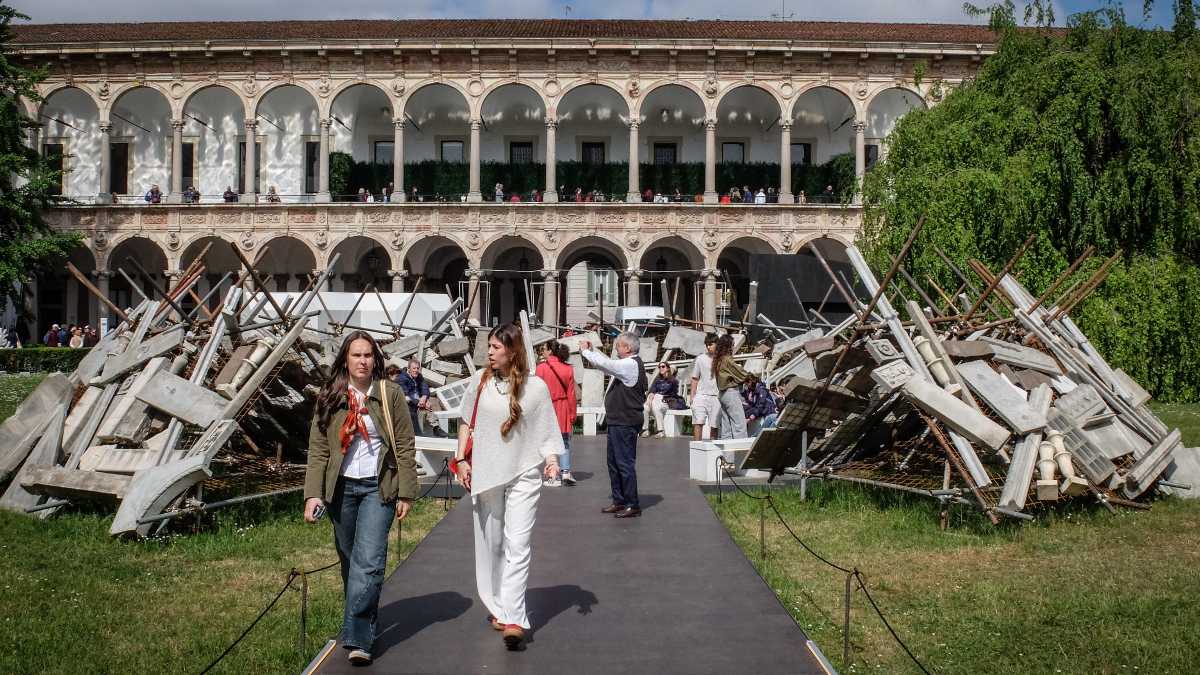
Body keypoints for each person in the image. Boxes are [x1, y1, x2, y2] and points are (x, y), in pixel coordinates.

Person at [303, 331, 419, 666]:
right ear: (345, 359)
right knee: (351, 562)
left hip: (377, 487)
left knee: (367, 563)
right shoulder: (331, 395)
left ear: (375, 359)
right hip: (340, 489)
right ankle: (362, 619)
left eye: (368, 355)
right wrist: (313, 494)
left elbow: (406, 445)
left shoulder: (390, 393)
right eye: (356, 355)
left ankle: (358, 639)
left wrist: (407, 491)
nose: (363, 361)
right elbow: (319, 449)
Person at [453, 323, 562, 650]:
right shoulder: (480, 382)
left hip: (525, 472)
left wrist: (552, 458)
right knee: (494, 543)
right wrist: (461, 459)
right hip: (487, 473)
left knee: (519, 544)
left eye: (496, 347)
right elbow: (465, 422)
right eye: (489, 346)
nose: (489, 351)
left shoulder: (537, 388)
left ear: (513, 351)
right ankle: (498, 605)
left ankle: (515, 617)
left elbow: (546, 428)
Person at [580, 332, 647, 518]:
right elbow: (608, 367)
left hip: (625, 421)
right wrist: (593, 352)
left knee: (624, 463)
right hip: (619, 420)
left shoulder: (630, 364)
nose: (616, 348)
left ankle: (632, 504)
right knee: (614, 462)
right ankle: (620, 500)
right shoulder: (628, 364)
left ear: (628, 348)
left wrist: (586, 352)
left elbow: (608, 365)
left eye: (619, 345)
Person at [535, 341, 577, 486]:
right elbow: (571, 394)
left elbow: (536, 392)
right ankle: (566, 472)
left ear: (550, 351)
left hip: (547, 407)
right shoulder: (568, 369)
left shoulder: (541, 369)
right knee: (564, 441)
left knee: (548, 442)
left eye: (544, 349)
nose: (543, 352)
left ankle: (553, 475)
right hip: (563, 406)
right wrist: (572, 413)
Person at [713, 334, 751, 439]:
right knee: (739, 424)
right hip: (730, 393)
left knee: (726, 427)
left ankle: (727, 454)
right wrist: (752, 378)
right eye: (732, 345)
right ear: (728, 346)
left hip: (722, 394)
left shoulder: (718, 360)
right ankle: (740, 453)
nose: (733, 347)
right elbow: (741, 373)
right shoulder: (727, 360)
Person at [689, 333, 720, 440]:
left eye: (711, 344)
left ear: (717, 344)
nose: (708, 346)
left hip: (716, 396)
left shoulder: (722, 359)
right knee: (698, 422)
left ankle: (713, 451)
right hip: (701, 395)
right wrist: (692, 397)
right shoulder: (700, 358)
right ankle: (697, 448)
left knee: (714, 425)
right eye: (707, 344)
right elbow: (695, 378)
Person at [643, 362, 685, 438]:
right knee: (645, 407)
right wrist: (650, 398)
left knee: (656, 404)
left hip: (666, 402)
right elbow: (652, 390)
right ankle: (645, 430)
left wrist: (669, 375)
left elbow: (671, 393)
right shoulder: (657, 380)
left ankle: (661, 431)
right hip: (655, 402)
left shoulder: (673, 381)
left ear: (668, 369)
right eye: (659, 367)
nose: (661, 368)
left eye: (663, 366)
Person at [397, 358, 430, 436]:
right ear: (408, 369)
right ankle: (419, 434)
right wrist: (419, 402)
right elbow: (405, 396)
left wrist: (424, 397)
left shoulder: (419, 376)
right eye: (414, 368)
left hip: (419, 400)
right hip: (409, 403)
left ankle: (436, 428)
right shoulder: (402, 378)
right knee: (418, 412)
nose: (416, 370)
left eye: (418, 368)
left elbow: (425, 387)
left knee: (429, 405)